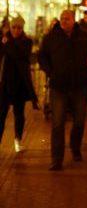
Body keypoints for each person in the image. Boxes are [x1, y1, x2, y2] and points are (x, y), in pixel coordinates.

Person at [38, 9, 87, 170]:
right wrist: (50, 72)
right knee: (57, 123)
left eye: (67, 18)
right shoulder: (51, 37)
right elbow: (42, 56)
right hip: (58, 86)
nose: (64, 21)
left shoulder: (84, 37)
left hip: (80, 86)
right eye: (62, 18)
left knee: (79, 121)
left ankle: (75, 148)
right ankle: (56, 159)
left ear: (74, 20)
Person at [0, 16, 39, 152]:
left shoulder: (26, 41)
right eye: (14, 27)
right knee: (1, 114)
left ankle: (18, 139)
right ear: (10, 27)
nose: (16, 30)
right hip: (4, 83)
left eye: (19, 28)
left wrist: (7, 44)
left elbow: (19, 55)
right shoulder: (3, 40)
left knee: (19, 114)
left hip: (20, 83)